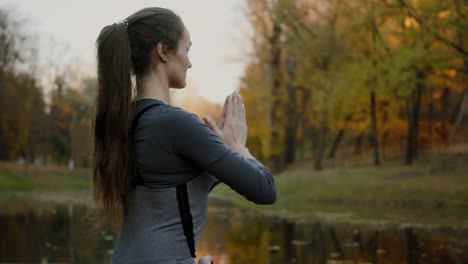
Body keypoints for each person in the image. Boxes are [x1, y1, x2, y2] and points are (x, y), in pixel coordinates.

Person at [92, 7, 277, 264]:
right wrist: (240, 149)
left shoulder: (125, 120)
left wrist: (224, 149)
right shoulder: (173, 123)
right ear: (163, 50)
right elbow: (265, 190)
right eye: (187, 50)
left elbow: (180, 187)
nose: (189, 62)